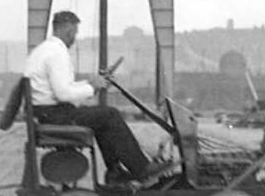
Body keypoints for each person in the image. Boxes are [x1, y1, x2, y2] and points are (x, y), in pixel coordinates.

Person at [25, 10, 172, 185]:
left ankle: (115, 173)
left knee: (102, 117)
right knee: (110, 115)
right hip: (56, 115)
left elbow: (62, 88)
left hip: (48, 113)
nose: (74, 38)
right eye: (74, 33)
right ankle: (141, 168)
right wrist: (92, 87)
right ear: (68, 30)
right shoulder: (57, 53)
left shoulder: (43, 50)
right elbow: (63, 94)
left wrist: (92, 84)